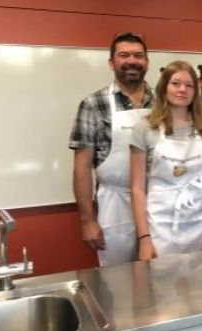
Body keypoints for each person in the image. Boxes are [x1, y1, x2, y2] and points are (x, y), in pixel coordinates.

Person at [69, 32, 153, 266]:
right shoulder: (93, 104)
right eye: (124, 55)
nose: (132, 61)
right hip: (116, 205)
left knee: (163, 276)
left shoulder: (162, 103)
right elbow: (82, 167)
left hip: (159, 201)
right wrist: (87, 221)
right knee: (119, 282)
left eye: (138, 55)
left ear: (147, 61)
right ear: (111, 62)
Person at [130, 60, 202, 260]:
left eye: (189, 85)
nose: (182, 90)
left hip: (200, 222)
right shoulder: (144, 128)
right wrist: (144, 238)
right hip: (160, 224)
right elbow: (137, 188)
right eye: (176, 83)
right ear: (164, 87)